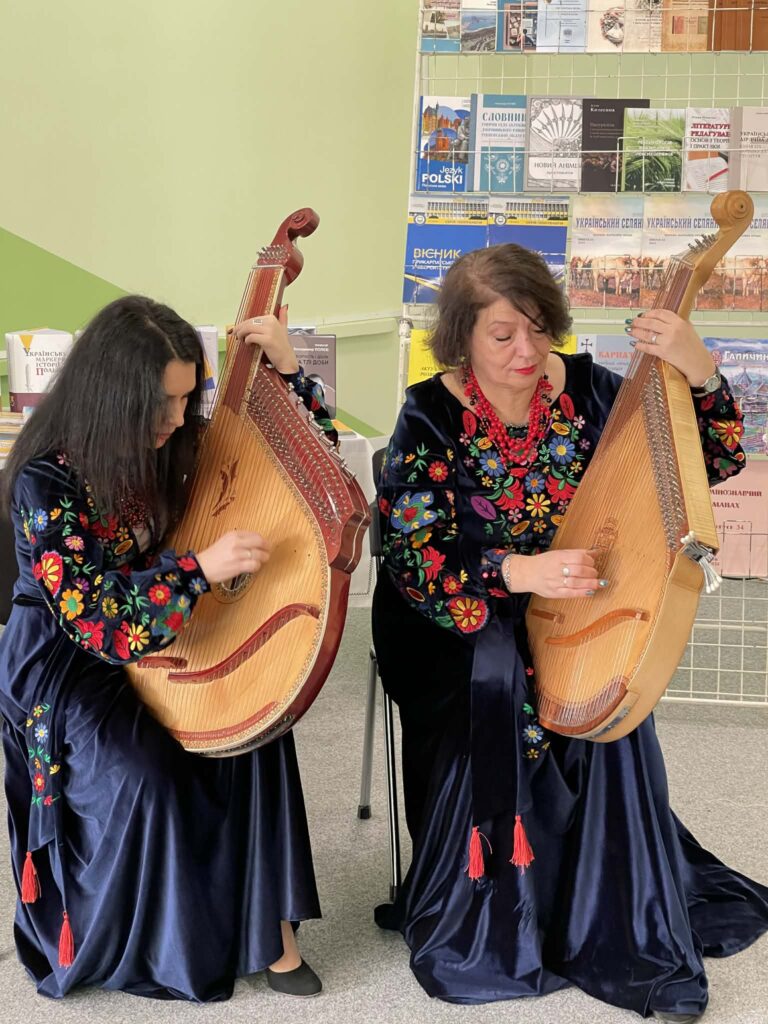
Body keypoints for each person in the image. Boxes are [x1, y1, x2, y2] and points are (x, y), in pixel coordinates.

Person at [372, 244, 768, 1022]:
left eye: (537, 329)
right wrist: (519, 571)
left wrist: (700, 371)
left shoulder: (591, 392)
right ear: (461, 339)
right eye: (502, 335)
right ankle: (507, 921)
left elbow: (707, 465)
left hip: (576, 603)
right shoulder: (428, 414)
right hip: (456, 618)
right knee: (503, 697)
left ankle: (625, 925)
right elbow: (414, 554)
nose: (526, 351)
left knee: (613, 708)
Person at [0, 295, 337, 1000]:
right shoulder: (46, 478)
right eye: (163, 403)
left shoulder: (176, 441)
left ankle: (269, 930)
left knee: (257, 723)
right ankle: (170, 944)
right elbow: (95, 620)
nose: (179, 419)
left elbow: (307, 465)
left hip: (167, 616)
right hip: (65, 656)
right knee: (143, 774)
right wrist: (195, 572)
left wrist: (289, 373)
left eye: (187, 398)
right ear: (115, 397)